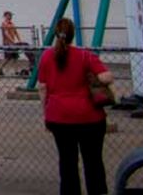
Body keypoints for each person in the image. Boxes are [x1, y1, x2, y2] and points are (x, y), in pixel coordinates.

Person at [37, 18, 112, 195]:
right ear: (73, 34)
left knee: (67, 162)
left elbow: (42, 88)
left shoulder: (47, 56)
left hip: (59, 116)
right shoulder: (85, 55)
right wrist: (93, 78)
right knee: (93, 161)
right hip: (90, 117)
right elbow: (107, 77)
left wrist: (46, 112)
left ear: (56, 34)